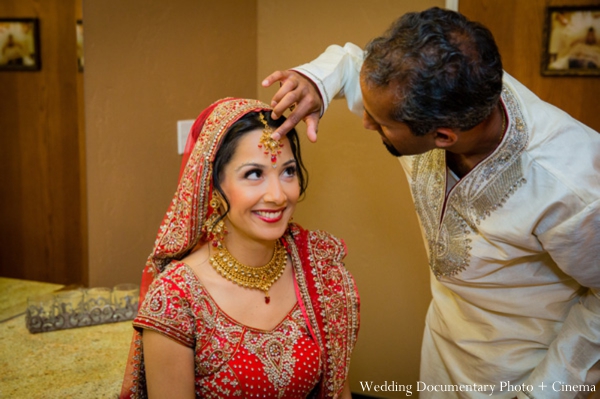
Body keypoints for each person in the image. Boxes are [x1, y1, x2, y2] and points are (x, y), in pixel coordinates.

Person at [262, 7, 600, 399]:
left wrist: (543, 391)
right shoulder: (430, 90)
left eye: (381, 123)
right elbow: (355, 64)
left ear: (442, 137)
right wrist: (315, 81)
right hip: (442, 349)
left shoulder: (574, 185)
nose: (367, 123)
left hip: (523, 372)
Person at [119, 98, 360, 398]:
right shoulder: (177, 298)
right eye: (254, 174)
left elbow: (339, 389)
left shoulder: (317, 265)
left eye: (288, 171)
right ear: (214, 185)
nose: (277, 195)